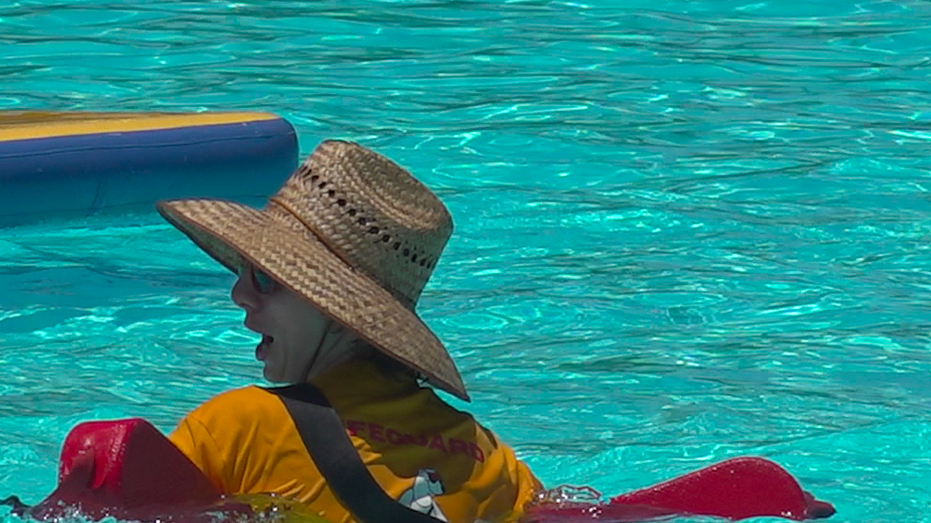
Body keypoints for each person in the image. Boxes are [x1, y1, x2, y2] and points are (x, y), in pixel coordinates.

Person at [155, 139, 543, 523]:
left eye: (265, 276)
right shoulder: (497, 468)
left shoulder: (240, 431)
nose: (240, 293)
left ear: (339, 312)